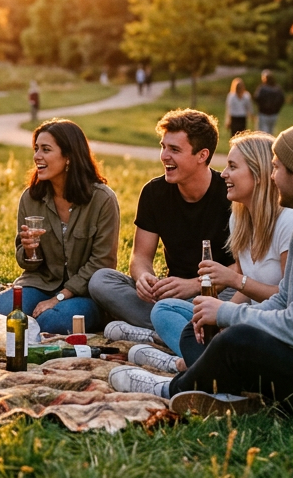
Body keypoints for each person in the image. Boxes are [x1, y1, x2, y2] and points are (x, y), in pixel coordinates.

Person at [110, 121, 293, 415]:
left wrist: (228, 314)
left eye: (276, 168)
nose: (271, 176)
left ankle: (171, 388)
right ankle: (225, 393)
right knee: (221, 332)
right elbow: (283, 300)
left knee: (238, 339)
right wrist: (224, 319)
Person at [132, 131, 293, 375]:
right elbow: (243, 294)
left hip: (269, 325)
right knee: (164, 309)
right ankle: (204, 358)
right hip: (244, 315)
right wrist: (222, 319)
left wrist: (232, 283)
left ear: (259, 174)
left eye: (232, 166)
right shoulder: (240, 220)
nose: (224, 174)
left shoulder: (289, 222)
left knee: (206, 325)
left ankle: (190, 364)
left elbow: (289, 300)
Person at [89, 109, 232, 340]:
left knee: (244, 297)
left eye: (174, 149)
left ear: (202, 155)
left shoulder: (230, 194)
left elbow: (247, 266)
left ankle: (163, 331)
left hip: (217, 293)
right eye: (163, 146)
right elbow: (140, 257)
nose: (164, 156)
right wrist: (144, 278)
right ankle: (185, 329)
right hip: (169, 298)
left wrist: (194, 285)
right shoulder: (153, 193)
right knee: (101, 280)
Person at [0, 119, 119, 333]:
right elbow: (27, 263)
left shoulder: (102, 199)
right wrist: (29, 250)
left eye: (46, 150)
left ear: (69, 157)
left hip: (83, 293)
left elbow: (102, 263)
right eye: (36, 149)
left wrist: (59, 298)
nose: (37, 156)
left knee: (52, 321)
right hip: (41, 283)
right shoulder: (30, 198)